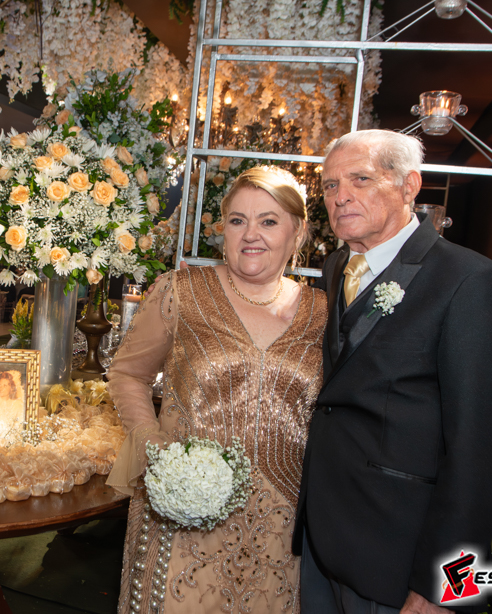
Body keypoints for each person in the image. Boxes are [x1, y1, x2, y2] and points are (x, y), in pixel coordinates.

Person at [292, 130, 492, 613]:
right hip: (323, 541)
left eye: (360, 179)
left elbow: (479, 452)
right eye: (330, 185)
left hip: (399, 558)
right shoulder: (336, 268)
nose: (340, 196)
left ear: (409, 186)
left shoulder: (471, 281)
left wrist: (446, 585)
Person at [107, 166, 328, 614]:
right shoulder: (182, 292)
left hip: (280, 528)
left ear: (298, 232)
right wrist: (153, 447)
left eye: (269, 221)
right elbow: (128, 373)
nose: (251, 234)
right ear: (222, 229)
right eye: (237, 220)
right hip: (183, 517)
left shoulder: (324, 312)